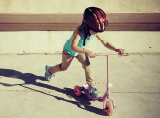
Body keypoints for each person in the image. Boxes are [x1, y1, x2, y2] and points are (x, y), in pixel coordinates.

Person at [45, 7, 125, 98]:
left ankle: (92, 87)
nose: (96, 33)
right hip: (69, 51)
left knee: (87, 65)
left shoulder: (95, 31)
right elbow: (73, 47)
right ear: (88, 25)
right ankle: (49, 70)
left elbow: (105, 42)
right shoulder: (79, 31)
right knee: (63, 67)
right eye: (95, 31)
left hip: (80, 50)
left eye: (97, 31)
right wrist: (87, 51)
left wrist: (116, 49)